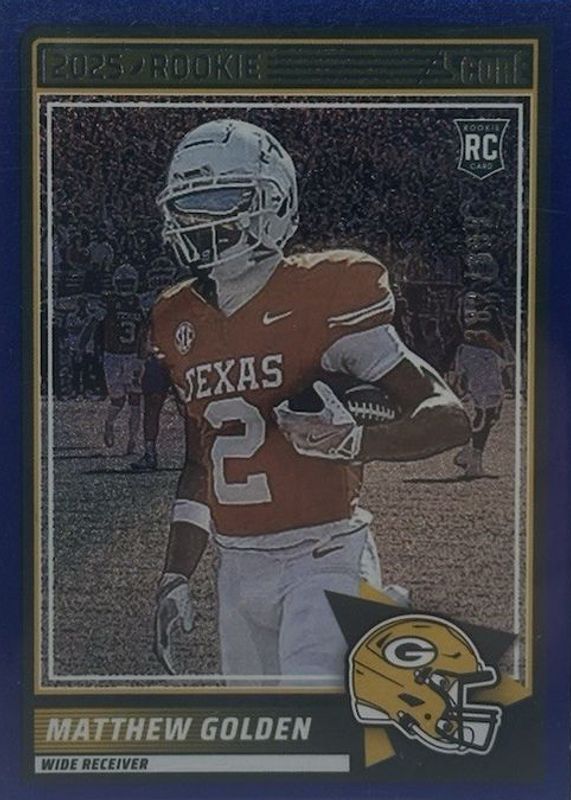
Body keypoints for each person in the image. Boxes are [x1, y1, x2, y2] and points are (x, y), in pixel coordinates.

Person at [150, 119, 470, 684]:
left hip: (324, 557)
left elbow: (448, 417)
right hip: (237, 568)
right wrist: (176, 575)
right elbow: (201, 463)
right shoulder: (177, 317)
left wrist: (354, 441)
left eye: (222, 201)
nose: (203, 221)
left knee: (315, 714)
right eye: (190, 206)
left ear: (274, 201)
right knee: (264, 735)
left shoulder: (326, 291)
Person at [451, 290, 506, 478]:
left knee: (489, 411)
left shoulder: (463, 298)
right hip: (484, 355)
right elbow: (499, 336)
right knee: (488, 411)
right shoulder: (487, 302)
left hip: (468, 352)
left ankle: (468, 453)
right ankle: (474, 462)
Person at [131, 258, 178, 472]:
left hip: (179, 356)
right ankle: (149, 453)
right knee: (152, 404)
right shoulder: (147, 300)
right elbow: (143, 331)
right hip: (157, 356)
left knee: (188, 407)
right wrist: (139, 359)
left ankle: (198, 453)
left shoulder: (183, 297)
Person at [101, 264, 145, 454]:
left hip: (133, 356)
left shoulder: (140, 303)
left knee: (135, 400)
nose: (126, 286)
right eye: (123, 282)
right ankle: (109, 423)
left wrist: (143, 356)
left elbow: (144, 333)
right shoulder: (108, 302)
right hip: (112, 356)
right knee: (117, 400)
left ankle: (132, 441)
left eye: (129, 282)